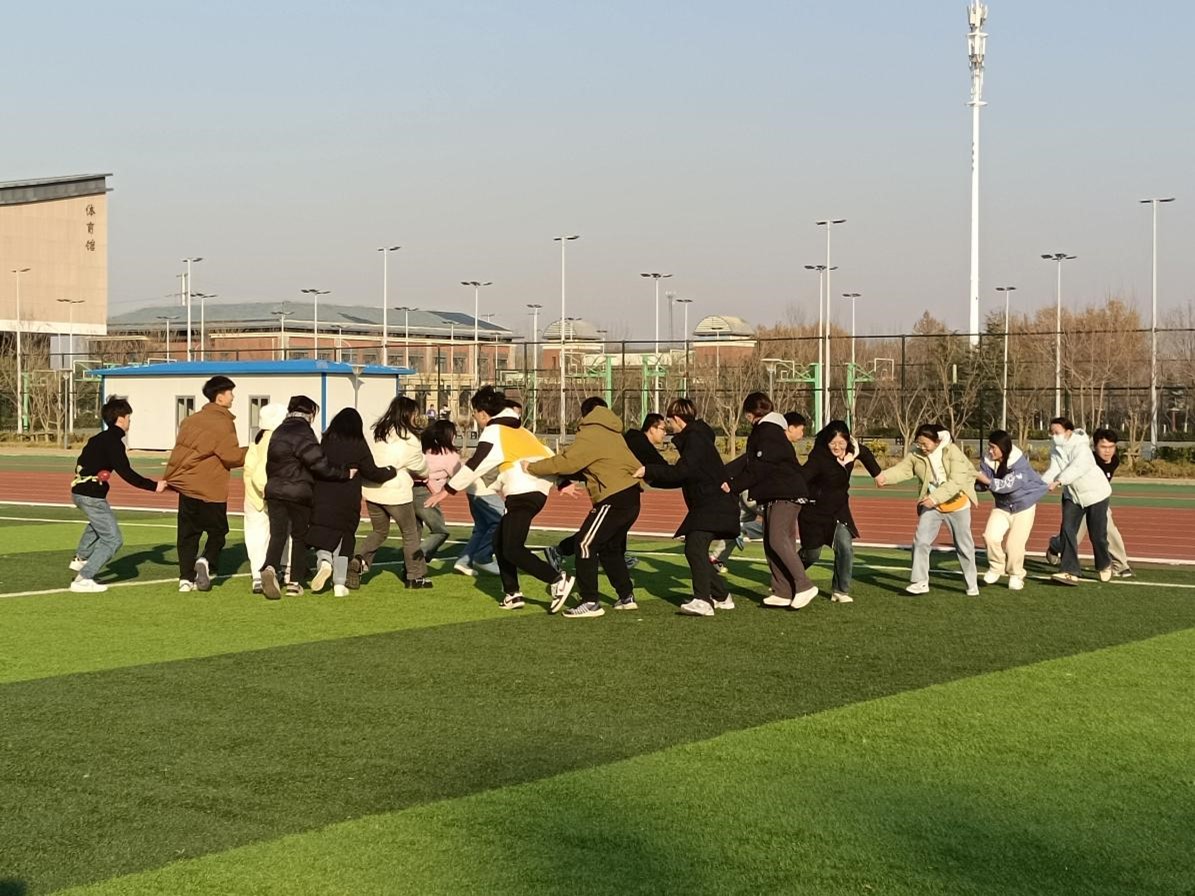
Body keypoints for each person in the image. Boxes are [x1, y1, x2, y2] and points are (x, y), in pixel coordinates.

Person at [426, 385, 575, 610]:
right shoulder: (522, 430)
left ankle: (557, 579)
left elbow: (475, 464)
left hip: (523, 491)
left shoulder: (494, 432)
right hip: (532, 492)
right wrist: (562, 481)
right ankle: (512, 594)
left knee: (512, 548)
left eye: (475, 412)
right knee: (499, 541)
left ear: (483, 413)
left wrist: (446, 490)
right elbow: (547, 455)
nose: (475, 417)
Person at [525, 397, 644, 618]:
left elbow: (567, 462)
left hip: (614, 497)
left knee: (584, 543)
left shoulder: (592, 432)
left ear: (585, 414)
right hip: (631, 495)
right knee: (610, 548)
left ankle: (590, 601)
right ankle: (626, 596)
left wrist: (532, 467)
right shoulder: (613, 432)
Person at [636, 398, 740, 616]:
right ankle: (721, 596)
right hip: (712, 503)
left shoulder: (695, 438)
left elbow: (682, 471)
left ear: (676, 419)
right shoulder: (699, 436)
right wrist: (654, 477)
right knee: (695, 548)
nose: (669, 427)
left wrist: (649, 471)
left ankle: (703, 600)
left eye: (669, 422)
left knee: (694, 547)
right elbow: (684, 475)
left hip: (712, 504)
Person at [724, 393, 818, 610]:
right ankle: (782, 591)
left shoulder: (767, 431)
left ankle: (803, 585)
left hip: (784, 493)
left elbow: (760, 467)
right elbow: (750, 461)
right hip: (776, 493)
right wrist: (725, 474)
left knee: (777, 539)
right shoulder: (770, 431)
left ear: (750, 414)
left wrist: (734, 485)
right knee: (772, 541)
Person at [67, 396, 167, 592]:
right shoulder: (114, 442)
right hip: (92, 495)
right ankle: (83, 579)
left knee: (98, 524)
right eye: (128, 417)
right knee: (113, 539)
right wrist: (154, 486)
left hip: (79, 493)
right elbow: (126, 472)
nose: (130, 421)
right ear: (121, 418)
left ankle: (81, 558)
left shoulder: (97, 439)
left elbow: (82, 463)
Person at [260, 396, 354, 600]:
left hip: (275, 489)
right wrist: (344, 473)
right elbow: (318, 463)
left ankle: (270, 567)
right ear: (310, 413)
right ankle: (294, 583)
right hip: (298, 491)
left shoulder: (278, 431)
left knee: (277, 535)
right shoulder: (304, 432)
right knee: (299, 536)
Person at [546, 412, 666, 570]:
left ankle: (614, 556)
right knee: (601, 530)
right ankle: (561, 551)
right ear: (652, 428)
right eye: (663, 429)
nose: (665, 433)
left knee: (611, 527)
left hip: (616, 488)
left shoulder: (634, 440)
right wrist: (682, 474)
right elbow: (663, 469)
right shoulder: (639, 443)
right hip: (611, 489)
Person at [164, 375, 247, 592]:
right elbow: (231, 456)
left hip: (187, 486)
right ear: (220, 397)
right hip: (211, 487)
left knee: (187, 534)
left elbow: (181, 451)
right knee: (218, 531)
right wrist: (253, 451)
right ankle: (206, 560)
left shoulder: (189, 421)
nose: (233, 397)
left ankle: (185, 578)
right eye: (230, 393)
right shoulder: (223, 423)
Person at [876, 424, 979, 596]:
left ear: (936, 441)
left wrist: (934, 498)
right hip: (932, 505)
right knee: (921, 541)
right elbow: (903, 470)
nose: (922, 447)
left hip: (957, 504)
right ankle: (920, 582)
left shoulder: (953, 452)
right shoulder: (916, 454)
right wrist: (884, 477)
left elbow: (956, 482)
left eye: (926, 444)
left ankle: (971, 583)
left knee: (964, 546)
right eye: (919, 443)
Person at [307, 408, 397, 597]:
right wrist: (391, 471)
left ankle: (324, 561)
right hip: (347, 497)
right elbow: (372, 472)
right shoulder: (358, 444)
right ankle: (339, 584)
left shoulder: (326, 441)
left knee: (323, 531)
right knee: (345, 538)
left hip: (323, 494)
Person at [797, 420, 883, 604]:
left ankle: (840, 590)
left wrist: (877, 474)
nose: (837, 447)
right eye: (833, 443)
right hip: (814, 511)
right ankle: (785, 578)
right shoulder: (818, 457)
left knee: (845, 546)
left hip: (839, 511)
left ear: (847, 441)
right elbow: (803, 477)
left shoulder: (853, 449)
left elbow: (865, 453)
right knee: (812, 554)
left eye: (841, 443)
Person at [357, 396, 434, 589]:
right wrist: (425, 471)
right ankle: (415, 576)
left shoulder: (379, 432)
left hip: (372, 490)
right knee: (410, 533)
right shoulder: (410, 440)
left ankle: (358, 560)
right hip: (396, 492)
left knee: (379, 531)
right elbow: (421, 467)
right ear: (409, 414)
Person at [423, 417, 505, 578]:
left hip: (472, 488)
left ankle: (464, 561)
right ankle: (483, 557)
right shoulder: (449, 454)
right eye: (453, 434)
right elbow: (460, 475)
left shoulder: (428, 451)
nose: (455, 437)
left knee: (482, 527)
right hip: (480, 487)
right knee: (501, 520)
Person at [1046, 427, 1132, 577]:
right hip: (1078, 499)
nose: (1108, 451)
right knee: (1073, 535)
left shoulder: (1114, 461)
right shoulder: (1086, 458)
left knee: (1108, 529)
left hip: (1097, 500)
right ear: (1094, 446)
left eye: (1111, 447)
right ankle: (1055, 546)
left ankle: (1120, 565)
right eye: (1103, 447)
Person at [1040, 417, 1112, 586]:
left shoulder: (1081, 447)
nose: (1053, 436)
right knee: (1067, 529)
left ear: (1068, 432)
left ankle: (1104, 564)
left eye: (1057, 432)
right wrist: (1041, 483)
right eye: (1051, 432)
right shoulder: (1056, 448)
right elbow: (1054, 468)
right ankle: (1069, 570)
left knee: (1097, 534)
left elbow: (1077, 468)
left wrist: (1059, 481)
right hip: (1072, 496)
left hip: (1096, 494)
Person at [975, 429, 1047, 591]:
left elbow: (1007, 486)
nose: (990, 451)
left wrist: (985, 480)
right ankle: (996, 567)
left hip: (1024, 506)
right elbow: (982, 483)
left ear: (1003, 447)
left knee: (1014, 546)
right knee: (990, 537)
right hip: (1002, 506)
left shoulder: (1019, 463)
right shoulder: (987, 460)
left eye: (993, 447)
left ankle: (1016, 574)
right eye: (989, 446)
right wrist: (973, 481)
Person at [243, 402, 288, 594]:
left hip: (252, 495)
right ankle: (282, 570)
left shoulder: (258, 438)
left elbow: (249, 467)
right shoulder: (279, 439)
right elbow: (262, 472)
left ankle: (257, 575)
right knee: (281, 533)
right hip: (273, 492)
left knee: (256, 536)